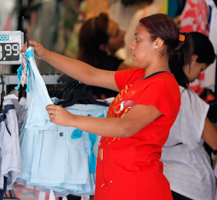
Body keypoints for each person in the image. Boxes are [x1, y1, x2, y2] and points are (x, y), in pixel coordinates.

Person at [23, 13, 193, 199]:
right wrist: (46, 54)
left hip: (137, 188)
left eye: (137, 39)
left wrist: (72, 119)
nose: (131, 45)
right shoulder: (137, 77)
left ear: (158, 43)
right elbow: (90, 74)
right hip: (113, 184)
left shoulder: (163, 86)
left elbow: (125, 126)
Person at [161, 32, 217, 200]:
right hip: (189, 184)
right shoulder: (186, 98)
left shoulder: (154, 86)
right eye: (201, 69)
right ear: (193, 59)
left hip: (162, 180)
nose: (197, 77)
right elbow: (215, 141)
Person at [76, 12, 133, 99]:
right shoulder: (116, 69)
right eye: (117, 34)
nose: (123, 32)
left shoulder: (85, 66)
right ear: (104, 47)